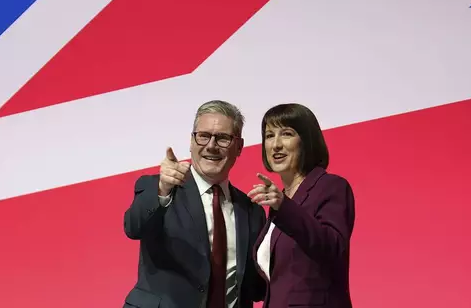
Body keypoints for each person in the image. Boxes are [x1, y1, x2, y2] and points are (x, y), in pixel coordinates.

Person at [123, 100, 267, 308]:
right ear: (191, 142)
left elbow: (257, 287)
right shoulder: (159, 188)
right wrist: (162, 189)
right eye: (203, 136)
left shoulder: (251, 210)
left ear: (239, 147)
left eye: (223, 138)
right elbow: (134, 227)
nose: (211, 146)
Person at [247, 103, 356, 308]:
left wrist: (283, 206)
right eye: (269, 136)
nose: (276, 144)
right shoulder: (280, 201)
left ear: (306, 141)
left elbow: (333, 247)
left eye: (286, 134)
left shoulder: (330, 186)